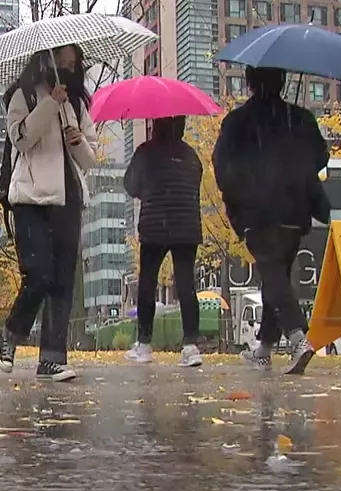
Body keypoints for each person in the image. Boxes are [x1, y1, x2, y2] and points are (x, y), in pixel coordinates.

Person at [213, 65, 329, 375]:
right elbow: (321, 156)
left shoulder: (237, 122)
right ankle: (264, 347)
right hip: (295, 210)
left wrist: (238, 193)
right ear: (283, 80)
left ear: (249, 83)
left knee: (273, 273)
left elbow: (222, 166)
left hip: (257, 210)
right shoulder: (300, 119)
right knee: (276, 277)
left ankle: (297, 337)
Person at [0, 45, 99, 382]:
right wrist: (50, 102)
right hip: (31, 199)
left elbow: (91, 159)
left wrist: (78, 139)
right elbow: (21, 139)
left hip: (68, 200)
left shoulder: (78, 103)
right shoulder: (23, 96)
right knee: (39, 274)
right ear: (46, 61)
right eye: (61, 62)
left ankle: (52, 358)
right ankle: (11, 333)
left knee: (63, 283)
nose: (67, 68)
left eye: (73, 64)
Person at [122, 116, 204, 368]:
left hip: (155, 225)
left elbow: (130, 185)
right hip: (186, 226)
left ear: (155, 125)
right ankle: (191, 345)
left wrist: (149, 188)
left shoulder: (145, 152)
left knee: (147, 284)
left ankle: (144, 344)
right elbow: (195, 183)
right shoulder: (191, 156)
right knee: (186, 284)